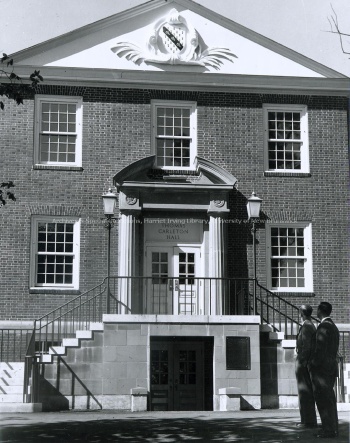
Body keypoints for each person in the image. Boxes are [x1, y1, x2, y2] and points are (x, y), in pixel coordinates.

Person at [308, 302, 339, 438]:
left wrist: (311, 364)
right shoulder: (334, 327)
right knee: (330, 399)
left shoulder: (323, 327)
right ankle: (332, 428)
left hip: (321, 369)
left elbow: (319, 350)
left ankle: (328, 430)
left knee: (322, 400)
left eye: (318, 309)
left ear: (320, 311)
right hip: (331, 366)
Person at [295, 304, 317, 428]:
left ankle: (308, 421)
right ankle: (306, 420)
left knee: (305, 392)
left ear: (301, 314)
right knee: (304, 392)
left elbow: (307, 347)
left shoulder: (307, 326)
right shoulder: (308, 325)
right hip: (305, 362)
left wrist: (302, 362)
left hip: (304, 363)